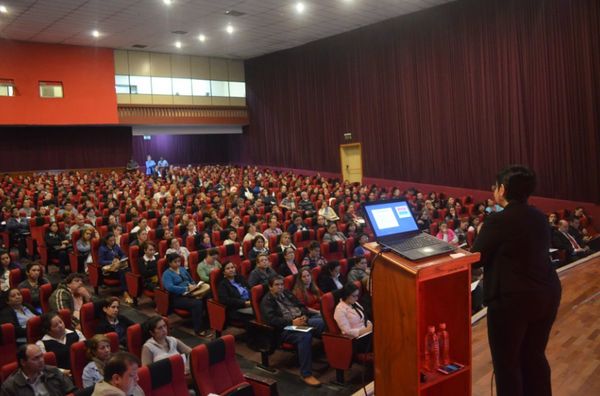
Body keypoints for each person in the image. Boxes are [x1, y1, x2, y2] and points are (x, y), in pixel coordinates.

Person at [471, 165, 561, 396]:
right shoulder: (539, 216)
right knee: (534, 355)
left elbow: (476, 259)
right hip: (546, 294)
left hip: (513, 300)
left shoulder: (498, 220)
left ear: (502, 189)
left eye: (495, 186)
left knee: (507, 364)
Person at [260, 275, 324, 387]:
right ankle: (306, 374)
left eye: (281, 284)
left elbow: (302, 306)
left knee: (324, 321)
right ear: (270, 287)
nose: (280, 287)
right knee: (305, 336)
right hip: (284, 329)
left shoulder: (288, 293)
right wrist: (292, 322)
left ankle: (333, 356)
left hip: (301, 321)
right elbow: (272, 320)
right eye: (277, 285)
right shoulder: (267, 301)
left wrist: (304, 315)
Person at [0, 344, 76, 396]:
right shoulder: (10, 387)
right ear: (23, 362)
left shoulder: (53, 371)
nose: (41, 360)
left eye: (41, 356)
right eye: (36, 358)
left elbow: (72, 391)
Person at [161, 253, 208, 336]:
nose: (178, 263)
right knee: (197, 303)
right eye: (175, 262)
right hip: (177, 297)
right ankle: (198, 329)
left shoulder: (182, 269)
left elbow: (191, 280)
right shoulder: (166, 274)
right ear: (170, 263)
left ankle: (207, 323)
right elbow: (169, 287)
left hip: (190, 292)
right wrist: (185, 289)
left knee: (207, 297)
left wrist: (193, 285)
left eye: (179, 261)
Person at [333, 283, 373, 349]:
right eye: (354, 296)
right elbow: (347, 331)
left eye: (357, 296)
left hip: (366, 334)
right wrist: (365, 330)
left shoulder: (354, 303)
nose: (357, 298)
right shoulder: (340, 310)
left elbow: (364, 317)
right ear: (346, 295)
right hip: (356, 340)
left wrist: (370, 325)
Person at [98, 233, 133, 304]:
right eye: (111, 241)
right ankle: (125, 293)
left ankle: (131, 291)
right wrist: (112, 262)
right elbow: (101, 261)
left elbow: (123, 254)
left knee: (128, 270)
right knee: (122, 272)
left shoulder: (116, 246)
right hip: (110, 270)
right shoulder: (102, 249)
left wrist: (122, 259)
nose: (113, 242)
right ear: (106, 241)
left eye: (114, 240)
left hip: (118, 266)